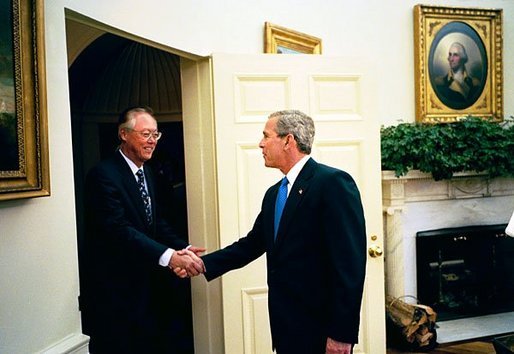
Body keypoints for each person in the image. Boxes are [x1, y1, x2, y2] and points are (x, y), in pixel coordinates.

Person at [191, 110, 367, 354]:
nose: (260, 143)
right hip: (286, 327)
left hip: (322, 329)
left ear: (288, 141)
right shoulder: (274, 194)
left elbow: (349, 265)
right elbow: (251, 244)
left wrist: (341, 334)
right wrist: (202, 264)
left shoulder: (333, 183)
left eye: (266, 136)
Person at [81, 106, 205, 353]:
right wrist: (170, 257)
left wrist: (183, 247)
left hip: (147, 291)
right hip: (116, 293)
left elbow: (153, 223)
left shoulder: (146, 171)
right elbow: (118, 229)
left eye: (156, 135)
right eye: (145, 134)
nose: (152, 142)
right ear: (123, 134)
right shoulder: (103, 175)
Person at [434, 42, 481, 109]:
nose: (451, 59)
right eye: (450, 55)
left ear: (463, 58)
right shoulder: (440, 83)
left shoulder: (475, 83)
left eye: (455, 55)